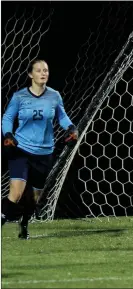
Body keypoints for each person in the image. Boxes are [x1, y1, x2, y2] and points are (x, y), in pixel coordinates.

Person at [1, 59, 78, 239]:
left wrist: (72, 128)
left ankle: (24, 224)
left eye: (46, 70)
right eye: (39, 70)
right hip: (21, 149)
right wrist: (8, 135)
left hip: (44, 153)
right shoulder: (19, 97)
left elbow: (63, 117)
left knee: (34, 198)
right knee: (16, 192)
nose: (43, 73)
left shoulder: (54, 96)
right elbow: (7, 118)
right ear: (30, 74)